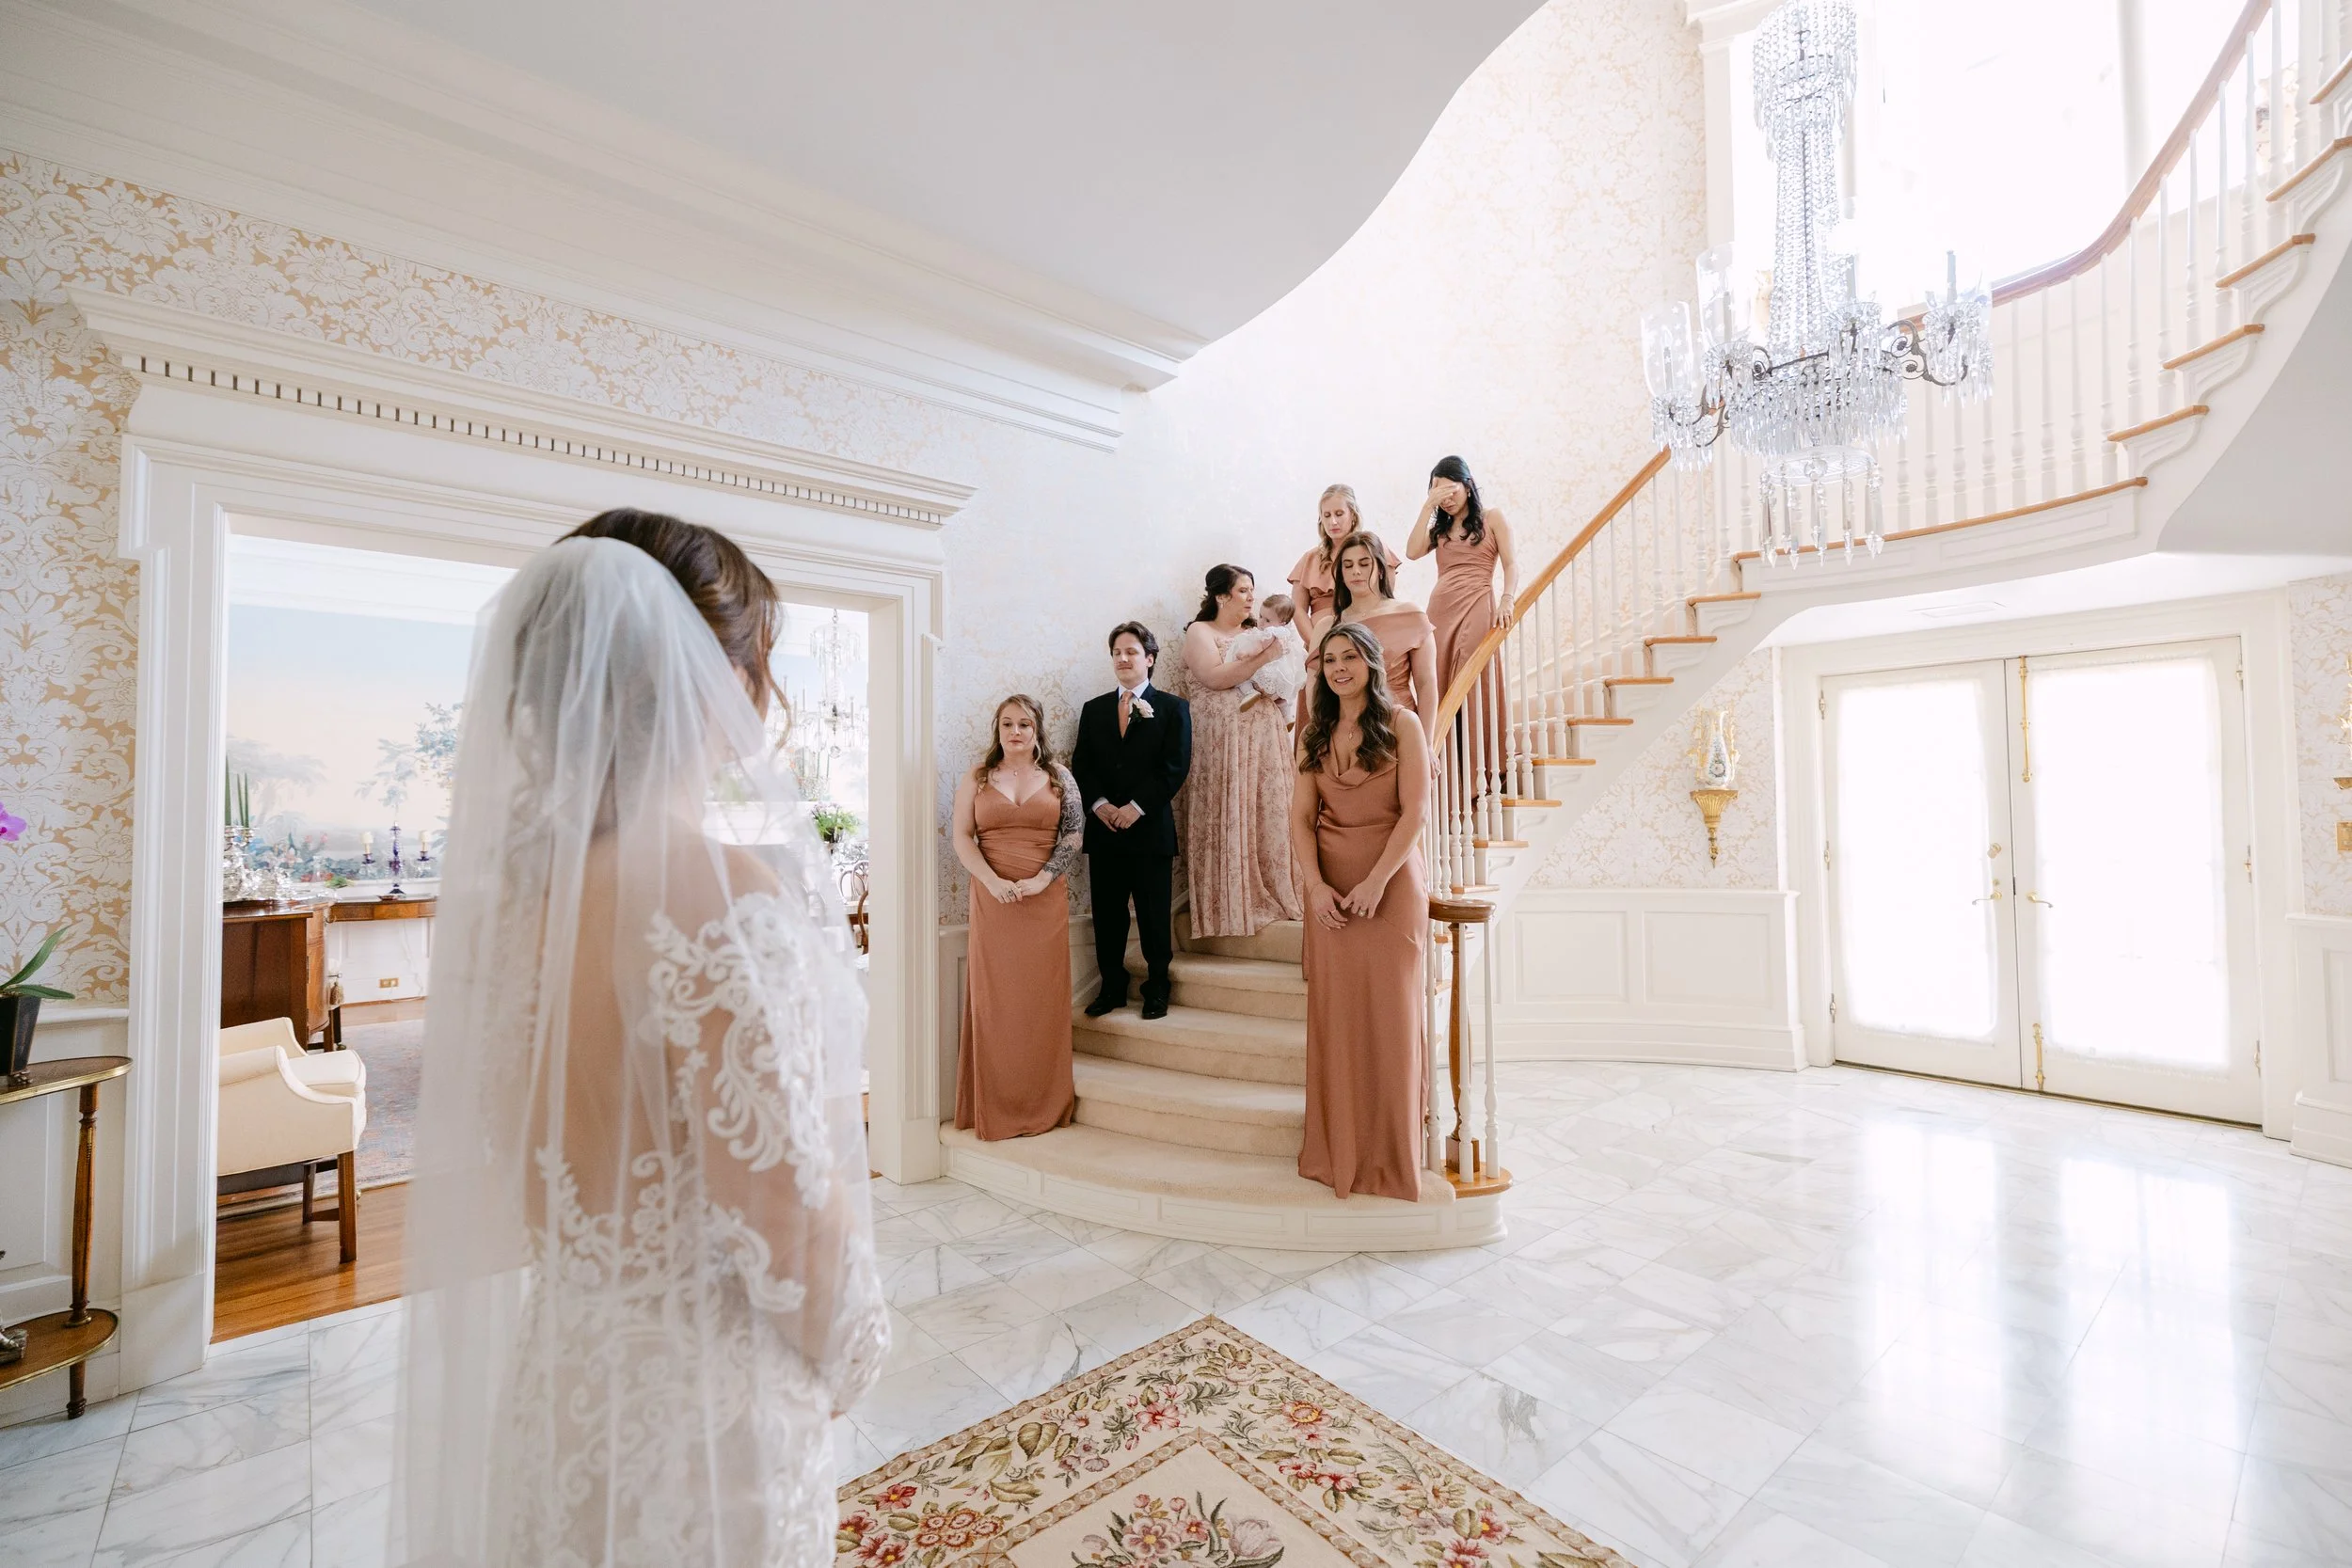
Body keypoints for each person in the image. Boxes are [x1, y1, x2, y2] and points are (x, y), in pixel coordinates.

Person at [397, 509, 885, 1568]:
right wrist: (852, 1359)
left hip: (562, 1377)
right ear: (710, 683)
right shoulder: (721, 901)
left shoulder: (507, 906)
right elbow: (789, 1221)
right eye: (758, 669)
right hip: (703, 1427)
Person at [1291, 620, 1431, 1203]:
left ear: (1372, 662)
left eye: (1350, 657)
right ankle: (1338, 1152)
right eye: (1329, 660)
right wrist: (1316, 887)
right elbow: (1299, 819)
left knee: (1392, 1022)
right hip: (1329, 891)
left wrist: (1378, 881)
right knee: (1338, 1021)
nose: (1339, 668)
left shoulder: (1403, 723)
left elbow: (1415, 812)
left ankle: (1390, 1159)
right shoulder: (1313, 732)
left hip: (1390, 888)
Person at [953, 694, 1084, 1140]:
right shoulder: (977, 777)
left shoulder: (1059, 777)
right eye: (1007, 724)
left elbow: (1074, 833)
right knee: (997, 1003)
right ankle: (999, 1106)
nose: (1015, 732)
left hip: (1044, 901)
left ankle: (1043, 1101)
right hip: (993, 901)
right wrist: (991, 882)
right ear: (997, 729)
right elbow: (961, 837)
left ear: (1037, 730)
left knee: (1039, 1003)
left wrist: (1043, 879)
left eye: (1024, 724)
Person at [1071, 623, 1192, 1020]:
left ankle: (1157, 988)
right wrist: (1101, 805)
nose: (1123, 659)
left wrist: (1135, 808)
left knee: (1155, 915)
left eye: (1131, 652)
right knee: (1108, 917)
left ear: (1149, 659)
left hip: (1150, 832)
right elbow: (1082, 766)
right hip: (1104, 832)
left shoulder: (1173, 708)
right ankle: (1112, 988)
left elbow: (1175, 768)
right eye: (1117, 653)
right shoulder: (1094, 709)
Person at [1182, 565, 1305, 939]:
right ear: (1221, 596)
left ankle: (1276, 889)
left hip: (1264, 736)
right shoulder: (1199, 632)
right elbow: (1215, 677)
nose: (1252, 597)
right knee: (1228, 809)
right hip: (1220, 743)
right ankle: (1232, 901)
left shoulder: (1258, 632)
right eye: (1244, 591)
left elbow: (1286, 672)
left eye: (1252, 590)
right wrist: (1262, 660)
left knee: (1268, 810)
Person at [1406, 455, 1520, 698]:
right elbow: (1412, 552)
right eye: (1438, 494)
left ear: (1467, 486)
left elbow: (1511, 564)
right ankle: (1445, 737)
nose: (1446, 500)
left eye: (1451, 491)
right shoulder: (1441, 530)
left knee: (1470, 673)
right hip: (1440, 610)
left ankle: (1474, 735)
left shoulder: (1493, 518)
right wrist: (1428, 507)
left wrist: (1507, 599)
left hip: (1477, 602)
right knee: (1438, 675)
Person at [1311, 531, 1438, 736]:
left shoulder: (1410, 615)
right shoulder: (1327, 626)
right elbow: (1315, 691)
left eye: (1364, 564)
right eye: (1348, 565)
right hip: (1345, 734)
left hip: (1399, 730)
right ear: (1341, 573)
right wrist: (1325, 737)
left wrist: (1427, 744)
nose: (1356, 572)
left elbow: (1426, 684)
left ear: (1380, 569)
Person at [1287, 483, 1404, 626]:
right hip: (1318, 641)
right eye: (1327, 515)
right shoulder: (1309, 559)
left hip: (1365, 635)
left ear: (1353, 515)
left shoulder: (1375, 550)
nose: (1333, 521)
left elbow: (1386, 600)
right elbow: (1298, 610)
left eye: (1339, 514)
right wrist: (1316, 644)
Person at [1226, 592, 1309, 723]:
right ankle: (1287, 716)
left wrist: (1246, 653)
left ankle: (1249, 693)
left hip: (1267, 669)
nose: (1261, 622)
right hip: (1282, 673)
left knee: (1242, 678)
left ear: (1282, 622)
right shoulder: (1286, 632)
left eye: (1267, 620)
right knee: (1282, 697)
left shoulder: (1270, 632)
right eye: (1260, 616)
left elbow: (1259, 647)